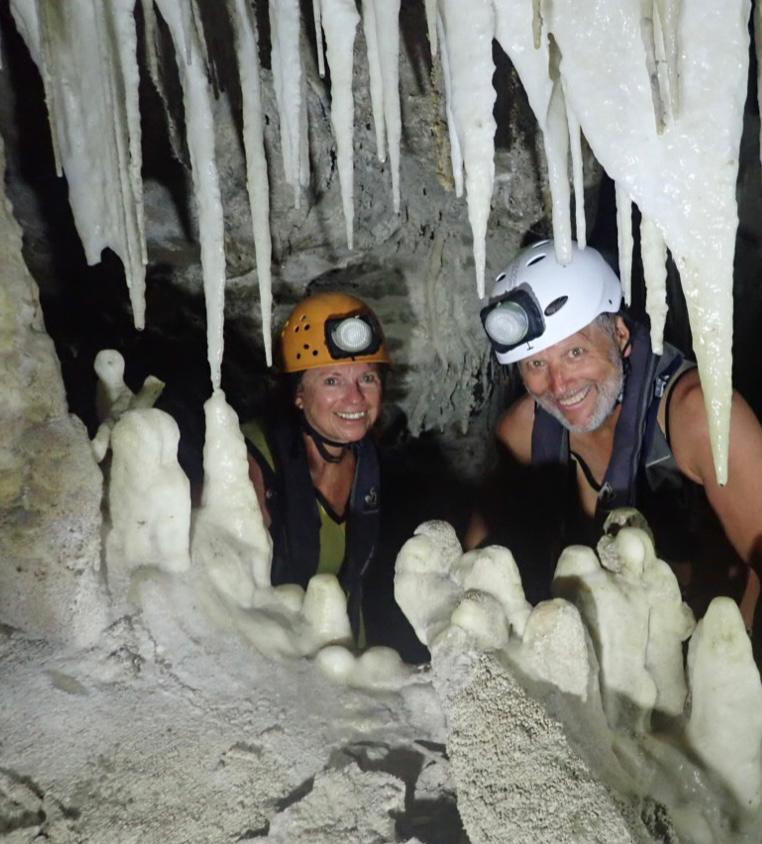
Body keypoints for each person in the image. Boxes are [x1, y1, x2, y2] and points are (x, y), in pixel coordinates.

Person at [468, 239, 762, 626]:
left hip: (719, 644)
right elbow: (478, 565)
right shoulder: (521, 434)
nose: (559, 385)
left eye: (575, 353)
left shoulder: (700, 417)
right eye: (536, 363)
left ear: (621, 335)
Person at [242, 291, 390, 642]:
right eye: (332, 381)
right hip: (271, 649)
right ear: (298, 393)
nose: (355, 398)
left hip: (346, 649)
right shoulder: (251, 461)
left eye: (367, 378)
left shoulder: (366, 458)